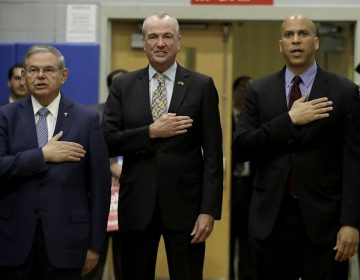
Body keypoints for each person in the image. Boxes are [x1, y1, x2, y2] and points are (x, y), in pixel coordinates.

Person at [233, 15, 360, 280]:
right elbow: (242, 146)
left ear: (316, 42)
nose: (296, 40)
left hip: (324, 220)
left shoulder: (344, 91)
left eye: (303, 34)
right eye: (289, 35)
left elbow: (354, 161)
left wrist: (351, 222)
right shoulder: (258, 90)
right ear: (280, 45)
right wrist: (288, 120)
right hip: (270, 219)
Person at [102, 11, 223, 280]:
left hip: (187, 209)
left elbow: (213, 154)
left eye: (167, 36)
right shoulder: (123, 85)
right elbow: (106, 141)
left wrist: (209, 210)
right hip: (136, 206)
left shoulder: (201, 85)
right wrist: (150, 132)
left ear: (178, 41)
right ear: (144, 41)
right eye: (153, 36)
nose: (160, 43)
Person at [0, 45, 111, 280]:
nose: (40, 76)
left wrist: (95, 245)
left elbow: (100, 187)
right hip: (13, 241)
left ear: (64, 75)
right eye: (33, 70)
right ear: (24, 76)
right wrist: (42, 156)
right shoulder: (5, 117)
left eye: (48, 69)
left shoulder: (87, 119)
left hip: (69, 243)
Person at [83, 68, 128, 280]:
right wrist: (110, 165)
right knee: (94, 261)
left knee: (127, 263)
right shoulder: (91, 114)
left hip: (130, 197)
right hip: (99, 197)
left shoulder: (143, 115)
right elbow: (83, 149)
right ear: (110, 88)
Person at [230, 76, 253, 280]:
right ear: (235, 91)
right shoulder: (226, 117)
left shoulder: (256, 119)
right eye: (245, 88)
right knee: (229, 238)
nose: (247, 93)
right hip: (230, 186)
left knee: (248, 240)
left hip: (249, 186)